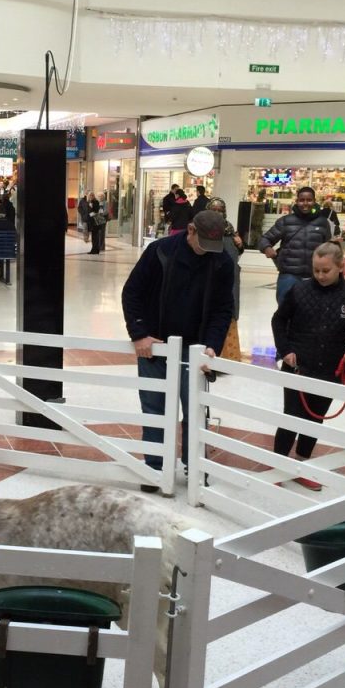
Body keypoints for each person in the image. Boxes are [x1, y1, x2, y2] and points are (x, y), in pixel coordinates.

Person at [122, 210, 234, 489]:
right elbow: (132, 292)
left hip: (194, 349)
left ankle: (195, 466)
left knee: (196, 410)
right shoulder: (160, 252)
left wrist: (212, 346)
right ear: (191, 230)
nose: (207, 251)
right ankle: (155, 468)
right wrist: (139, 334)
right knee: (154, 407)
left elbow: (223, 309)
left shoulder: (221, 261)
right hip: (155, 347)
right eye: (202, 243)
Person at [271, 242, 345, 491]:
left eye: (326, 270)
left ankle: (302, 465)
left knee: (315, 419)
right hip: (297, 365)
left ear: (340, 267)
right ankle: (278, 465)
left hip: (330, 369)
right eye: (316, 270)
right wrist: (285, 350)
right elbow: (279, 320)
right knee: (292, 416)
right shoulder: (299, 290)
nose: (320, 276)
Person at [258, 185, 333, 304]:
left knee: (313, 313)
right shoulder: (286, 221)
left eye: (309, 200)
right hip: (288, 275)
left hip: (315, 276)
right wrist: (267, 248)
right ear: (297, 201)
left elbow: (328, 248)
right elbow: (264, 239)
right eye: (302, 200)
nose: (305, 203)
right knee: (285, 311)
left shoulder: (323, 223)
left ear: (314, 201)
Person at [207, 197, 245, 360]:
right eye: (213, 210)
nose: (217, 213)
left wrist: (240, 245)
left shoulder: (230, 230)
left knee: (228, 315)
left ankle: (229, 358)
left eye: (219, 211)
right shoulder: (203, 230)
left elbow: (235, 254)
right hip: (209, 281)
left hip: (230, 281)